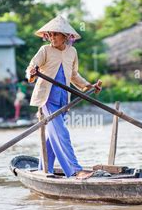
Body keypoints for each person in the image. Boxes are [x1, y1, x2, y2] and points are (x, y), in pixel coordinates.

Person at [26, 15, 102, 179]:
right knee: (62, 133)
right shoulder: (45, 50)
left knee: (52, 138)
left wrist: (88, 86)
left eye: (55, 34)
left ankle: (44, 169)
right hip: (47, 99)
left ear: (66, 36)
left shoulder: (72, 52)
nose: (52, 38)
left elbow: (74, 75)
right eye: (50, 35)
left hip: (63, 100)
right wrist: (32, 74)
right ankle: (75, 170)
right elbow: (32, 67)